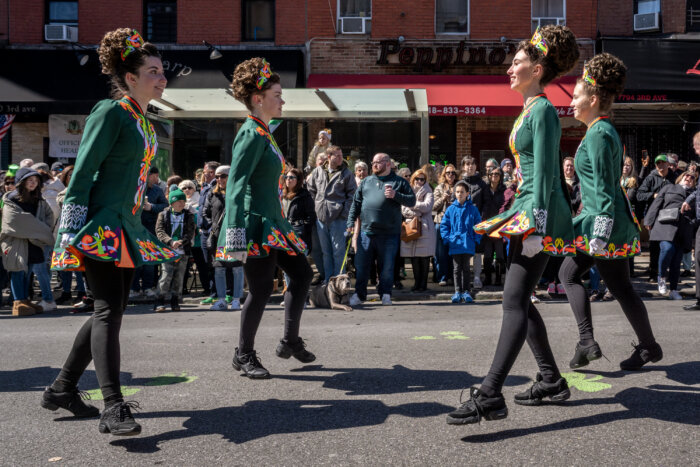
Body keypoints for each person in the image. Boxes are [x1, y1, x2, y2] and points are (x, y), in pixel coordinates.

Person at [43, 28, 178, 435]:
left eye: (162, 71)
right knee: (106, 310)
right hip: (99, 225)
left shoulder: (144, 121)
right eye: (153, 71)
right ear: (131, 77)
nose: (162, 78)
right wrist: (70, 230)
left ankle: (62, 388)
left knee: (112, 310)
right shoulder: (112, 111)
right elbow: (83, 171)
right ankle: (113, 406)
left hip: (125, 226)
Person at [448, 25, 580, 426]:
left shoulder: (541, 110)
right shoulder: (531, 108)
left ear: (537, 69)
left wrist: (537, 229)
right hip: (527, 211)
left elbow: (545, 176)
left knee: (513, 300)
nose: (510, 68)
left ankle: (489, 394)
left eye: (517, 62)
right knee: (519, 299)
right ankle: (551, 379)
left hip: (536, 214)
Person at [558, 52, 663, 373]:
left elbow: (605, 187)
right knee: (620, 288)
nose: (571, 103)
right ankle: (648, 347)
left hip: (602, 224)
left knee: (568, 274)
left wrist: (600, 233)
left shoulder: (600, 134)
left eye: (576, 97)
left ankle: (587, 342)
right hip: (605, 222)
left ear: (593, 98)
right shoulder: (600, 131)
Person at [216, 58, 313, 379]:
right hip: (255, 224)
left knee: (301, 274)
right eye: (277, 95)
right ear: (258, 99)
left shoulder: (265, 132)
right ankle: (243, 354)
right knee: (259, 290)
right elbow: (236, 183)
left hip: (274, 222)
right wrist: (235, 233)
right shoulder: (250, 133)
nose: (283, 100)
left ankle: (289, 340)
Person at [347, 153, 416, 306]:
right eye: (373, 162)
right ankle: (359, 294)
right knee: (362, 266)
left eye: (378, 162)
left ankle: (385, 293)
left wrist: (395, 195)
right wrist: (350, 221)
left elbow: (412, 200)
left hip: (389, 233)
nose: (374, 165)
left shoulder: (398, 182)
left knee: (387, 267)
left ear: (388, 164)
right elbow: (356, 203)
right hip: (367, 232)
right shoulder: (366, 181)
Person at [0, 167, 55, 316]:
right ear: (22, 182)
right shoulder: (11, 198)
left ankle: (25, 300)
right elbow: (14, 221)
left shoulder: (38, 199)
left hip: (33, 242)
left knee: (28, 272)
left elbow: (49, 216)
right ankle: (18, 302)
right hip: (16, 241)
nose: (33, 183)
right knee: (17, 270)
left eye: (36, 181)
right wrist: (39, 230)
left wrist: (40, 231)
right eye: (30, 180)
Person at [307, 145, 357, 282]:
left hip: (338, 218)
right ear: (329, 157)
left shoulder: (346, 174)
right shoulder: (318, 171)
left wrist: (344, 213)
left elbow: (352, 195)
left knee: (338, 252)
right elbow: (310, 190)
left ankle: (339, 281)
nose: (341, 158)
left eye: (341, 155)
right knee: (325, 252)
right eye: (338, 156)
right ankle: (328, 281)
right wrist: (315, 208)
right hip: (321, 218)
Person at [645, 172, 696, 299]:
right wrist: (648, 221)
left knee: (676, 260)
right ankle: (661, 277)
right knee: (667, 249)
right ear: (681, 177)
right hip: (665, 226)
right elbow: (656, 204)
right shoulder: (669, 188)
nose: (689, 178)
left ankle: (673, 290)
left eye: (692, 177)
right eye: (687, 175)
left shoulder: (695, 193)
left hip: (683, 229)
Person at [203, 165, 243, 311]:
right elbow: (205, 213)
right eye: (217, 176)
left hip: (234, 235)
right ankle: (221, 300)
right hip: (218, 236)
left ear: (231, 176)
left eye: (223, 176)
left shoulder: (239, 192)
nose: (219, 179)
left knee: (236, 268)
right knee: (219, 268)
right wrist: (211, 227)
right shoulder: (212, 194)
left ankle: (236, 299)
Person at [440, 180, 481, 303]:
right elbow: (444, 225)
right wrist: (448, 239)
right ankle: (457, 291)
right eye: (457, 192)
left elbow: (478, 225)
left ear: (467, 193)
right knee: (457, 269)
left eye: (462, 192)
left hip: (468, 243)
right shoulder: (451, 209)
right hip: (455, 243)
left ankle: (467, 291)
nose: (459, 194)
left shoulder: (473, 209)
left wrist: (476, 239)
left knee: (467, 268)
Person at [154, 188, 195, 312]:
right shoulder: (163, 214)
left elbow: (190, 232)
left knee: (179, 277)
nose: (181, 203)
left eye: (183, 201)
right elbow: (159, 231)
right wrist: (170, 241)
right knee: (166, 276)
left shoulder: (189, 215)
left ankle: (175, 300)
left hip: (182, 251)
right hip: (168, 251)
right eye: (178, 201)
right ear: (172, 202)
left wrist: (181, 242)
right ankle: (159, 301)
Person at [130, 166, 167, 298]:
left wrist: (151, 207)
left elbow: (165, 206)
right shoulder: (134, 189)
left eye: (157, 176)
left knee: (150, 259)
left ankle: (148, 287)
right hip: (134, 228)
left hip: (151, 228)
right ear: (146, 176)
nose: (157, 179)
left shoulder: (157, 190)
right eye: (154, 176)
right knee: (135, 259)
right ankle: (134, 288)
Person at [636, 154, 674, 282]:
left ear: (668, 164)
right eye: (658, 163)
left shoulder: (673, 177)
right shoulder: (650, 178)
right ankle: (653, 274)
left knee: (668, 246)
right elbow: (639, 195)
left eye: (663, 163)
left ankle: (665, 272)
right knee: (654, 246)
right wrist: (653, 195)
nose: (661, 166)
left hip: (670, 216)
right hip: (654, 216)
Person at [54, 165, 87, 305]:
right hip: (65, 233)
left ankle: (82, 292)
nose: (73, 177)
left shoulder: (85, 191)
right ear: (65, 178)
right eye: (70, 175)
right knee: (65, 265)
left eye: (76, 175)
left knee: (79, 265)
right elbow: (62, 201)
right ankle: (66, 292)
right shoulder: (63, 193)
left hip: (80, 232)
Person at [400, 169, 435, 292]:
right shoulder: (407, 190)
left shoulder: (429, 191)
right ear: (413, 179)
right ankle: (416, 283)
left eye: (422, 179)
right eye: (417, 179)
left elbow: (427, 207)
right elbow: (404, 210)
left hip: (425, 228)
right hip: (411, 227)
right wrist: (417, 210)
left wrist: (413, 204)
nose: (420, 181)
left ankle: (423, 284)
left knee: (424, 257)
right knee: (414, 256)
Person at [460, 156, 487, 288]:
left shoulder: (482, 184)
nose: (470, 166)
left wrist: (481, 220)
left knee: (477, 251)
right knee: (463, 250)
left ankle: (477, 277)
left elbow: (486, 203)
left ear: (476, 167)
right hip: (463, 223)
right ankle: (464, 278)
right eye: (467, 164)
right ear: (463, 167)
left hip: (478, 223)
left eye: (472, 164)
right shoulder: (460, 184)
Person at [198, 161, 220, 304]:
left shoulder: (216, 188)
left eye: (205, 172)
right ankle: (213, 292)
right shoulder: (204, 187)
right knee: (208, 263)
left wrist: (211, 226)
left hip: (212, 231)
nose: (203, 175)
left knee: (216, 263)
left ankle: (219, 292)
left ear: (211, 173)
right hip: (203, 231)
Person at [433, 163, 458, 286]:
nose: (451, 175)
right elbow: (433, 207)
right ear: (444, 174)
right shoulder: (439, 188)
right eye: (448, 173)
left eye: (453, 173)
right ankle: (442, 276)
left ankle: (453, 277)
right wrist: (443, 198)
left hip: (456, 223)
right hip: (441, 222)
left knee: (453, 251)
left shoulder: (459, 187)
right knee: (441, 252)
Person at [481, 167, 506, 286]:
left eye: (497, 174)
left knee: (500, 254)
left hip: (499, 225)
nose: (494, 176)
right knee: (487, 254)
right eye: (492, 174)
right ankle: (487, 278)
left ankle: (498, 278)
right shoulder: (484, 189)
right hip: (487, 225)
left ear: (500, 176)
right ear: (489, 176)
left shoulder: (504, 190)